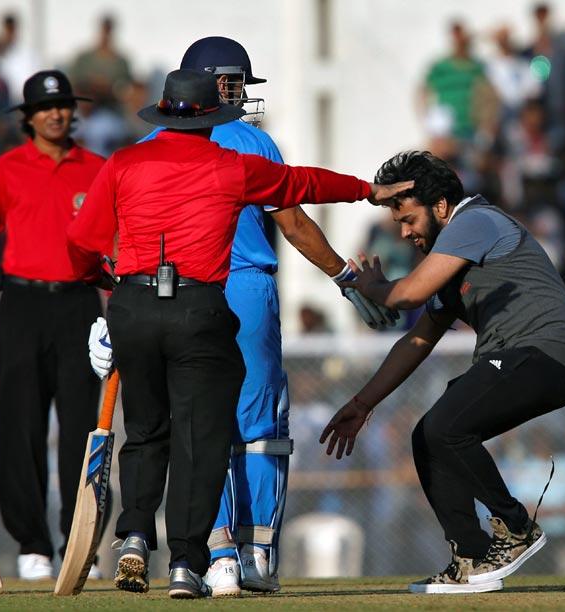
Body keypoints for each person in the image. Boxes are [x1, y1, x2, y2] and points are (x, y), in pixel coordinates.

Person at [67, 68, 411, 599]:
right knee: (203, 439)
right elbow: (305, 185)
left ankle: (134, 536)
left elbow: (82, 240)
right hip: (200, 307)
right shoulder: (231, 166)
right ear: (213, 117)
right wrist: (368, 190)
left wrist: (110, 302)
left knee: (146, 432)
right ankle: (189, 564)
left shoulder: (123, 161)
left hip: (133, 305)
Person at [320, 151, 565, 593]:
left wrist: (371, 287)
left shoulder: (474, 222)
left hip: (546, 353)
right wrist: (361, 403)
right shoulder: (453, 255)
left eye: (407, 219)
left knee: (445, 427)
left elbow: (407, 295)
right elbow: (418, 340)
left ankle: (517, 528)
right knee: (428, 435)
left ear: (441, 205)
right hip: (526, 356)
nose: (404, 233)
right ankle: (471, 557)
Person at [0, 70, 107, 580]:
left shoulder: (98, 169)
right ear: (28, 117)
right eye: (46, 107)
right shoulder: (6, 169)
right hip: (21, 304)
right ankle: (33, 543)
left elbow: (120, 239)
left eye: (63, 104)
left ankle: (77, 538)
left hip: (80, 304)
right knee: (19, 424)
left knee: (84, 424)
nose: (56, 113)